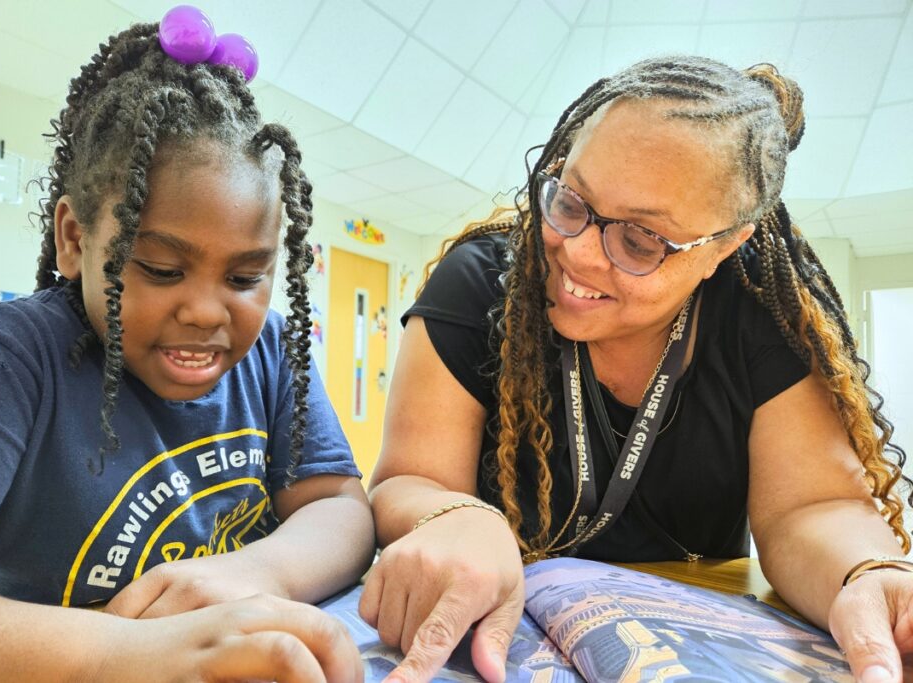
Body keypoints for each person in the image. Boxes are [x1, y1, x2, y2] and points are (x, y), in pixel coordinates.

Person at [361, 55, 913, 683]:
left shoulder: (764, 315)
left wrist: (869, 574)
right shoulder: (481, 282)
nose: (578, 252)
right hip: (496, 636)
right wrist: (457, 516)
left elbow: (810, 508)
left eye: (640, 241)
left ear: (726, 245)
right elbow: (407, 480)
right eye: (569, 200)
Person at [0, 16, 371, 682]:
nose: (206, 311)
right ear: (72, 238)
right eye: (162, 269)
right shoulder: (0, 362)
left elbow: (340, 505)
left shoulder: (274, 356)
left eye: (244, 277)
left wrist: (260, 569)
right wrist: (128, 653)